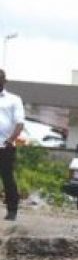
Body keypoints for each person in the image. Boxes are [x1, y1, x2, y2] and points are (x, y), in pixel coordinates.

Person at [0, 69, 25, 221]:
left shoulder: (14, 100)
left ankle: (12, 210)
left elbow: (19, 123)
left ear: (4, 81)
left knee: (7, 177)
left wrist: (10, 139)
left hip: (5, 146)